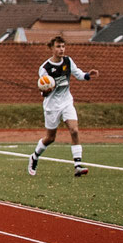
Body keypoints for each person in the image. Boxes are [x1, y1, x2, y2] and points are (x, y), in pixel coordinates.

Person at [29, 34, 95, 178]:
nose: (61, 49)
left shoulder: (68, 61)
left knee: (74, 130)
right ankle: (34, 156)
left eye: (63, 46)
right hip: (52, 106)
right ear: (52, 48)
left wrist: (88, 75)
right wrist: (46, 90)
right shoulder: (45, 68)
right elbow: (43, 90)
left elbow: (78, 74)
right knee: (50, 138)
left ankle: (77, 165)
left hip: (66, 102)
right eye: (58, 46)